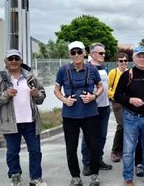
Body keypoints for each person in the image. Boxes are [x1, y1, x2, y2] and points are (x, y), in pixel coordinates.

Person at [0, 49, 47, 186]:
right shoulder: (0, 78)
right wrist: (5, 94)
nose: (13, 61)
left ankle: (36, 178)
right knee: (13, 152)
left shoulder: (30, 76)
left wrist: (36, 94)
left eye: (16, 58)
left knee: (35, 151)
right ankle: (15, 177)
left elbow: (42, 97)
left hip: (31, 122)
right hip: (10, 123)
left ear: (21, 61)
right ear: (5, 61)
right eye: (10, 59)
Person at [54, 41, 103, 186]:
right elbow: (56, 90)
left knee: (94, 146)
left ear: (84, 53)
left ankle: (94, 175)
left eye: (79, 52)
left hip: (90, 114)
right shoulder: (63, 70)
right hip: (70, 116)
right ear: (70, 54)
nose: (76, 55)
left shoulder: (92, 69)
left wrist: (93, 96)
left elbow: (100, 87)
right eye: (73, 52)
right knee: (71, 148)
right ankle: (75, 177)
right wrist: (64, 99)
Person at [114, 46, 144, 186]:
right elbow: (117, 95)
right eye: (139, 56)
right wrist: (130, 100)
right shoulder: (127, 75)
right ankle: (128, 178)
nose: (142, 59)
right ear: (134, 59)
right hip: (131, 117)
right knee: (129, 150)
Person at [80, 43, 113, 176]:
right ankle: (87, 163)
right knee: (88, 137)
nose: (103, 55)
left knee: (102, 136)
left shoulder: (103, 67)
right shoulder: (87, 68)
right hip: (91, 107)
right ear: (92, 54)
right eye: (101, 53)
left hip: (104, 106)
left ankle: (97, 159)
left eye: (104, 53)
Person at [108, 52, 129, 163]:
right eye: (121, 61)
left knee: (129, 126)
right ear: (117, 62)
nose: (123, 63)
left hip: (128, 102)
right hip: (117, 102)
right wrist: (114, 95)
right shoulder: (113, 73)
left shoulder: (130, 72)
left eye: (125, 61)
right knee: (121, 125)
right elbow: (108, 88)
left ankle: (124, 150)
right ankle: (115, 150)